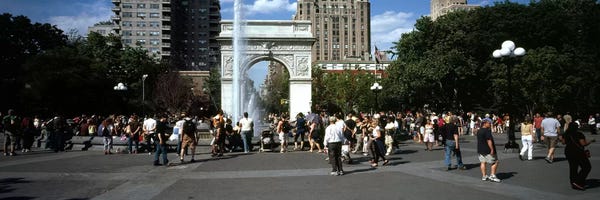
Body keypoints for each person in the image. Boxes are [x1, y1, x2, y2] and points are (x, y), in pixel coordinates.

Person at [562, 122, 595, 190]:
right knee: (586, 167)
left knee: (573, 167)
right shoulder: (579, 134)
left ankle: (573, 182)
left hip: (568, 152)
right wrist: (591, 141)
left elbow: (563, 142)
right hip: (578, 152)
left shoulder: (565, 134)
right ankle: (578, 181)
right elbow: (583, 144)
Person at [477, 118, 501, 183]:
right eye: (489, 123)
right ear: (485, 123)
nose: (490, 124)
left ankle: (484, 176)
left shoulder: (479, 131)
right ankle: (492, 176)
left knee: (483, 162)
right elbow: (489, 141)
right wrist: (492, 149)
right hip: (487, 150)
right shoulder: (487, 131)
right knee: (495, 162)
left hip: (480, 150)